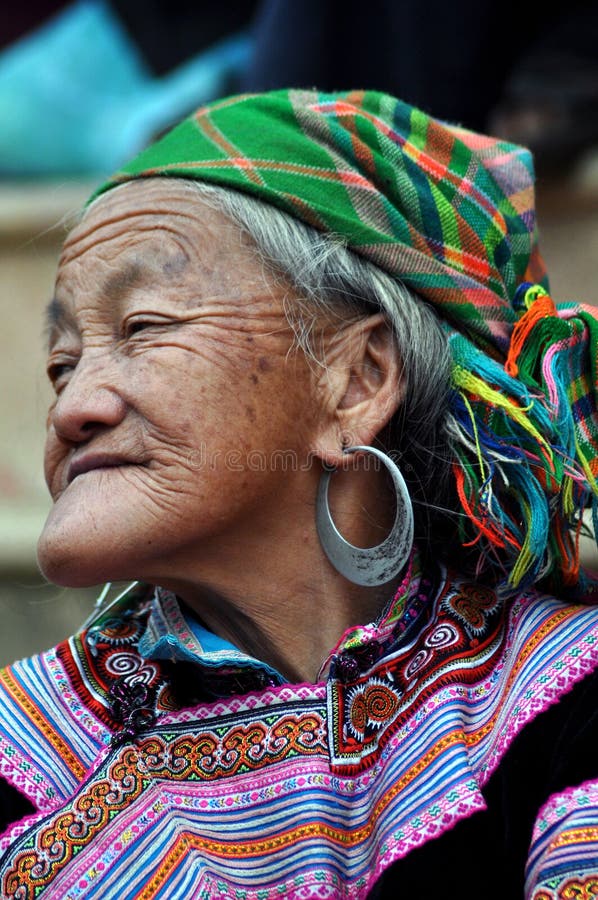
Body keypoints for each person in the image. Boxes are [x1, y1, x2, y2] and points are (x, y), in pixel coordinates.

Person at [1, 88, 598, 898]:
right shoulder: (25, 753)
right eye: (62, 364)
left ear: (357, 380)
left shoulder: (567, 699)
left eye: (142, 327)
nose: (72, 408)